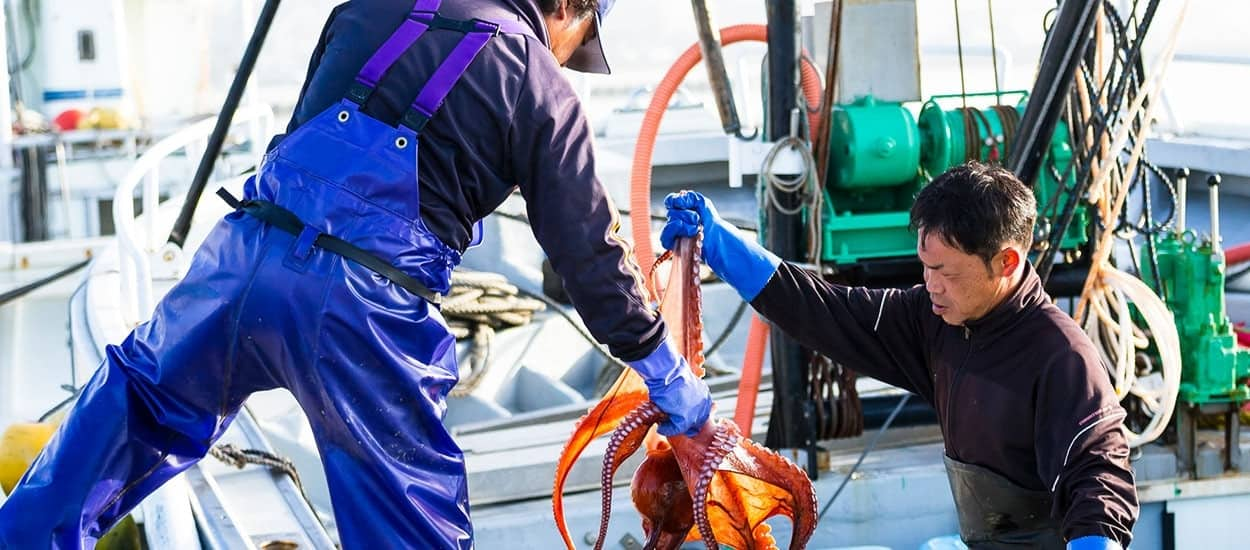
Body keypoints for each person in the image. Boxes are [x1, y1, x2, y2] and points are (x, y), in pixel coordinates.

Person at [0, 0, 712, 547]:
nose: (566, 57)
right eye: (579, 38)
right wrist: (664, 369)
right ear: (568, 6)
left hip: (242, 254)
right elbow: (589, 256)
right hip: (361, 310)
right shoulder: (539, 85)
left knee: (136, 406)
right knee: (409, 521)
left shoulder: (368, 6)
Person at [661, 162, 1138, 550]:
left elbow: (1099, 474)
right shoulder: (936, 319)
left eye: (943, 271)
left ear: (1006, 262)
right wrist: (720, 245)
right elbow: (829, 312)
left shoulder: (1062, 356)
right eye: (924, 267)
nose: (929, 284)